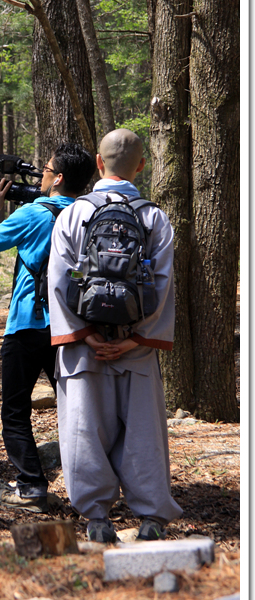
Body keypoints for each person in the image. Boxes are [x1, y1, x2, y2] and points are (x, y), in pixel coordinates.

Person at [48, 128, 183, 542]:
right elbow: (162, 285)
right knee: (143, 431)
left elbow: (58, 278)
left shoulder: (73, 213)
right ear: (141, 165)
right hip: (135, 345)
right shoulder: (153, 216)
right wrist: (136, 339)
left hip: (84, 345)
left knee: (83, 428)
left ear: (98, 162)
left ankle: (97, 519)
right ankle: (150, 520)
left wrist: (85, 335)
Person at [0, 143, 96, 510]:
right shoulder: (89, 213)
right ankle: (91, 486)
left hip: (29, 323)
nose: (41, 174)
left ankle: (30, 486)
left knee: (15, 410)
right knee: (75, 407)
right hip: (75, 325)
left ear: (58, 177)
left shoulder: (34, 213)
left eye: (45, 169)